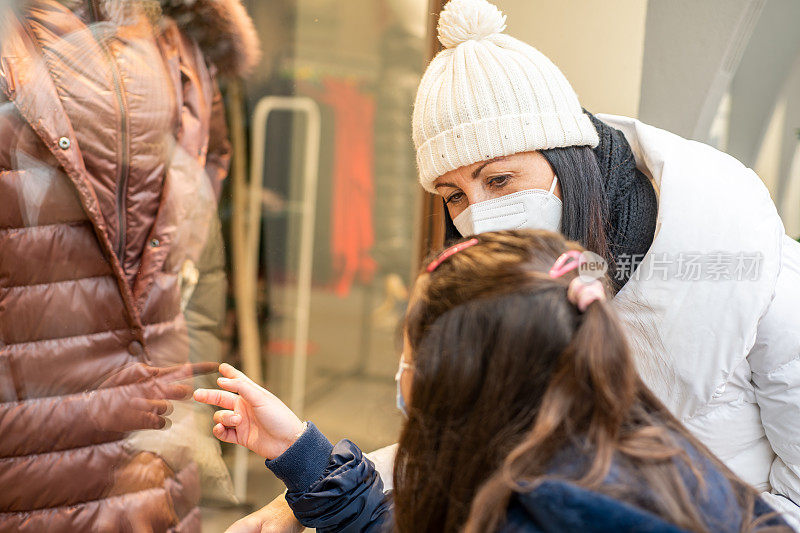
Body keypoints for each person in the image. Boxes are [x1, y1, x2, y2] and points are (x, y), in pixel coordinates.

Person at [237, 0, 800, 529]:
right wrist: (309, 482)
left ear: (566, 160)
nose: (480, 215)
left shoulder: (743, 261)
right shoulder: (519, 292)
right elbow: (466, 447)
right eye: (453, 194)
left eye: (499, 179)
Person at [196, 230, 791, 532]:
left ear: (467, 381)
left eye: (412, 360)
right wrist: (299, 452)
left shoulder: (543, 505)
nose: (402, 379)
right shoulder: (602, 450)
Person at [0, 0, 258, 530]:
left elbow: (196, 264)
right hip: (28, 475)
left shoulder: (183, 39)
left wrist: (181, 420)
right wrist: (85, 411)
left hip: (154, 474)